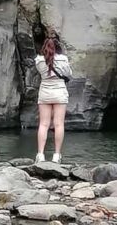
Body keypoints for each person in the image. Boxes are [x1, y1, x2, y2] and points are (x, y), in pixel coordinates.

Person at [34, 34, 72, 163]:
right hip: (60, 92)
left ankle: (40, 154)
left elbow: (41, 72)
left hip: (45, 92)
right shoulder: (63, 59)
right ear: (58, 46)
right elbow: (68, 74)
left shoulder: (39, 60)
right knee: (58, 124)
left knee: (43, 124)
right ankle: (56, 155)